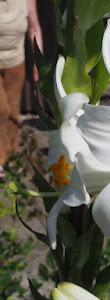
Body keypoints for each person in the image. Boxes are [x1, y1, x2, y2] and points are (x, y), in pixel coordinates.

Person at [0, 0, 43, 178]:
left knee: (12, 113)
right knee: (1, 110)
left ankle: (9, 158)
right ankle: (1, 158)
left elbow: (34, 29)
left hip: (15, 62)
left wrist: (38, 62)